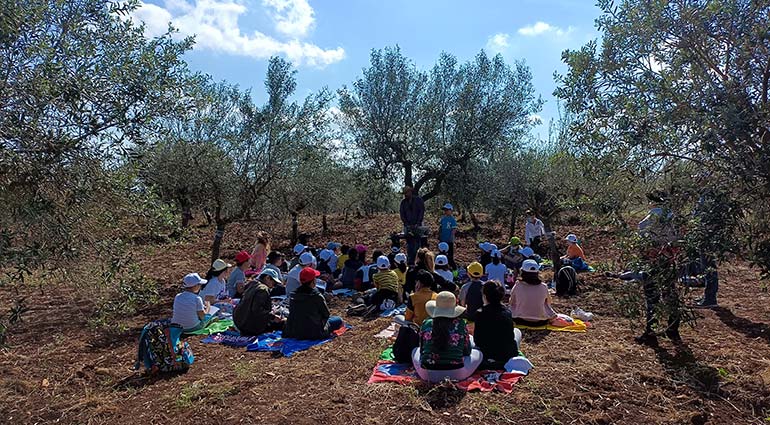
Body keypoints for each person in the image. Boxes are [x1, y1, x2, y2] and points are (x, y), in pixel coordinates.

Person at [412, 291, 483, 383]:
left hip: (427, 374)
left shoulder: (426, 323)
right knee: (479, 353)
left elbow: (422, 350)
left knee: (415, 351)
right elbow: (467, 352)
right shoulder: (460, 324)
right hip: (456, 374)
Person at [283, 268, 343, 340]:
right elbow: (326, 314)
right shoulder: (316, 296)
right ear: (313, 282)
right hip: (315, 332)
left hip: (296, 331)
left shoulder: (293, 295)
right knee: (338, 320)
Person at [474, 280, 522, 369]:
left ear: (484, 296)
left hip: (486, 353)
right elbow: (510, 336)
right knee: (517, 331)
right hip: (506, 354)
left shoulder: (480, 313)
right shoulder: (507, 312)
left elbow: (477, 339)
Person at [233, 269, 285, 336]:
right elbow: (257, 310)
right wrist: (273, 317)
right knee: (281, 323)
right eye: (274, 283)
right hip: (248, 326)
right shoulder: (263, 290)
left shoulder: (252, 283)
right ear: (267, 278)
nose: (273, 286)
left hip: (239, 321)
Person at [509, 260, 557, 326]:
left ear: (522, 272)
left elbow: (511, 302)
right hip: (541, 321)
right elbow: (549, 302)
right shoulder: (543, 286)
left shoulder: (518, 285)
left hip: (520, 320)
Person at [400, 186, 425, 265]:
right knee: (409, 244)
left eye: (407, 193)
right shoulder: (403, 203)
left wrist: (418, 223)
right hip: (408, 226)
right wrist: (407, 224)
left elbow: (421, 211)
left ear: (410, 192)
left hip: (417, 225)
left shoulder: (418, 200)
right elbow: (402, 214)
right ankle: (410, 262)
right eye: (404, 193)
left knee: (417, 243)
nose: (405, 195)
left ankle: (418, 261)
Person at [438, 203, 457, 269]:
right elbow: (440, 228)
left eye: (447, 210)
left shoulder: (453, 220)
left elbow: (453, 230)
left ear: (451, 210)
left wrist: (451, 239)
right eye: (444, 210)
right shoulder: (443, 219)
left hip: (449, 241)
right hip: (442, 240)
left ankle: (455, 274)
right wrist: (439, 236)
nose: (445, 211)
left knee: (450, 258)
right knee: (441, 257)